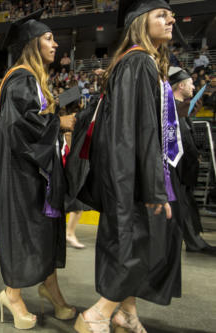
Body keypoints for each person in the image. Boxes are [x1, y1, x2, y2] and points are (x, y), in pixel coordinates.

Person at [74, 1, 183, 332]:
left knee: (138, 242)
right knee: (136, 243)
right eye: (161, 15)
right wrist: (152, 186)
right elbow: (136, 131)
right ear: (140, 22)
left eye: (171, 15)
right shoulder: (138, 63)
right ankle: (97, 314)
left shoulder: (140, 62)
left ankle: (126, 313)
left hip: (132, 173)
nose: (171, 20)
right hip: (132, 176)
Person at [0, 10, 77, 330]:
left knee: (43, 234)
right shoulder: (22, 78)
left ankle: (49, 287)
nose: (56, 44)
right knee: (26, 234)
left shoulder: (34, 79)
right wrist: (59, 122)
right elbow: (20, 127)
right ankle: (12, 294)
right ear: (32, 43)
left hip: (36, 173)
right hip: (22, 176)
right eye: (49, 38)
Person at [168, 66, 216, 255]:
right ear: (180, 85)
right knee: (179, 206)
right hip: (175, 169)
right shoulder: (170, 108)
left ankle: (194, 240)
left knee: (186, 205)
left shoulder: (180, 108)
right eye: (190, 83)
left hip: (184, 169)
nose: (194, 87)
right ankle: (190, 242)